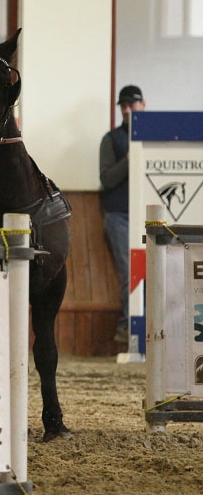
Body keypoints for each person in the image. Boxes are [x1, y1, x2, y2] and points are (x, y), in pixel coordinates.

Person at [100, 85, 145, 344]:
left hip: (148, 218)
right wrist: (129, 159)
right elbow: (106, 179)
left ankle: (139, 327)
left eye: (131, 104)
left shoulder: (156, 138)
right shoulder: (112, 139)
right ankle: (130, 326)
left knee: (149, 270)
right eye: (123, 105)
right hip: (119, 215)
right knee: (130, 270)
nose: (127, 109)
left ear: (142, 105)